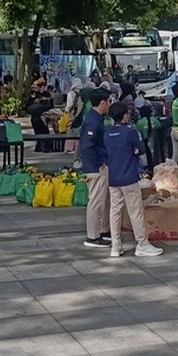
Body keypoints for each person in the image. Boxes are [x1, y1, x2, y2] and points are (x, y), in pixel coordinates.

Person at [103, 102, 163, 257]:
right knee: (135, 211)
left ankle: (116, 246)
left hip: (113, 177)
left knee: (115, 211)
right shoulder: (129, 132)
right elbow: (141, 149)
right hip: (129, 176)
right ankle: (142, 243)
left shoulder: (107, 133)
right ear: (124, 116)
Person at [81, 89, 113, 249]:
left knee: (103, 200)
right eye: (109, 101)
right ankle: (92, 236)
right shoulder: (93, 121)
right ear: (102, 102)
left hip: (99, 164)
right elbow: (87, 146)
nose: (110, 104)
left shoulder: (95, 118)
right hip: (96, 167)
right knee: (96, 200)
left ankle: (102, 231)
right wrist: (99, 163)